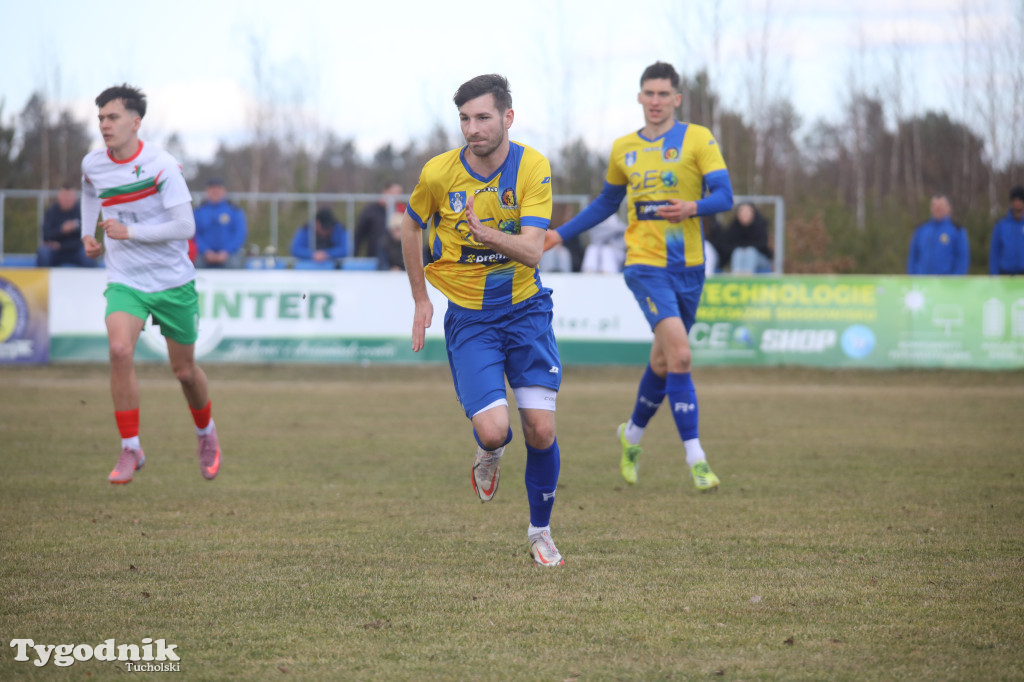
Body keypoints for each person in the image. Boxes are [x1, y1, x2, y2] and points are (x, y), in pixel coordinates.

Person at [400, 74, 565, 567]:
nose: (473, 129)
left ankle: (540, 532)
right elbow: (410, 224)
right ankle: (488, 452)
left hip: (527, 313)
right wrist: (420, 299)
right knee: (495, 430)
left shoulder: (532, 167)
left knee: (541, 430)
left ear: (507, 117)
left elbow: (534, 252)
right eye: (465, 119)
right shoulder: (438, 173)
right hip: (471, 319)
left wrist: (485, 233)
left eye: (483, 117)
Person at [544, 61, 734, 491]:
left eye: (663, 94)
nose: (655, 101)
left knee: (664, 360)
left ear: (676, 99)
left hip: (688, 267)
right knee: (682, 356)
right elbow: (605, 203)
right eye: (648, 93)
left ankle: (631, 435)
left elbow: (725, 195)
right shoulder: (623, 148)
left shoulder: (698, 139)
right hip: (644, 265)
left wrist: (692, 207)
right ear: (639, 97)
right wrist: (559, 233)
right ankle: (697, 459)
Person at [80, 84, 221, 484]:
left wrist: (130, 233)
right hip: (125, 278)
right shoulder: (93, 163)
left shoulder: (162, 165)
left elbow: (185, 226)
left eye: (113, 118)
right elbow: (91, 192)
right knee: (120, 349)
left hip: (173, 281)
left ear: (135, 122)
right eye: (101, 119)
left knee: (184, 371)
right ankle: (130, 447)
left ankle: (206, 433)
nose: (105, 125)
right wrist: (89, 235)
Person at [907, 193, 969, 275]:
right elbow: (913, 256)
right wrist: (913, 275)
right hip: (923, 283)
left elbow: (962, 259)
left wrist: (954, 282)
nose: (937, 208)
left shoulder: (957, 230)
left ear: (948, 208)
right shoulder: (921, 230)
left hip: (946, 284)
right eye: (934, 205)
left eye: (941, 205)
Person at [35, 183, 96, 267]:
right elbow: (46, 235)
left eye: (69, 197)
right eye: (64, 197)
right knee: (43, 253)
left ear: (74, 198)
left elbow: (86, 238)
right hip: (55, 252)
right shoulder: (51, 212)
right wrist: (62, 230)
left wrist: (61, 246)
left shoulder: (82, 212)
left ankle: (90, 280)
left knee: (89, 254)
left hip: (76, 251)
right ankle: (42, 279)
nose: (67, 199)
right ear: (59, 197)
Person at [193, 178, 248, 268]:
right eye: (212, 189)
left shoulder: (234, 210)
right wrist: (206, 251)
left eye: (218, 188)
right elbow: (194, 234)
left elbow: (240, 234)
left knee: (235, 265)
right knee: (194, 264)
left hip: (230, 254)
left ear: (224, 191)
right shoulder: (198, 211)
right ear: (207, 191)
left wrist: (226, 251)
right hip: (203, 254)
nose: (215, 191)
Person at [354, 181, 404, 267]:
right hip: (374, 259)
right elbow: (359, 235)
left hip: (396, 264)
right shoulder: (370, 211)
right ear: (385, 192)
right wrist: (355, 256)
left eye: (399, 193)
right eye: (393, 193)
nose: (396, 196)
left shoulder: (401, 212)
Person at [727, 202, 773, 274]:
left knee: (750, 252)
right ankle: (736, 276)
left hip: (760, 259)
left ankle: (748, 277)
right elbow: (729, 246)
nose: (745, 214)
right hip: (740, 256)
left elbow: (762, 244)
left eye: (747, 211)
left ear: (753, 213)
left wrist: (746, 247)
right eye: (742, 211)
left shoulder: (760, 226)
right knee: (738, 252)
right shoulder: (733, 228)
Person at [989, 185, 1024, 275]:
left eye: (1020, 199)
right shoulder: (1001, 225)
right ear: (1012, 202)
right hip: (1005, 275)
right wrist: (994, 275)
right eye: (1015, 200)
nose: (1018, 203)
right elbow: (995, 251)